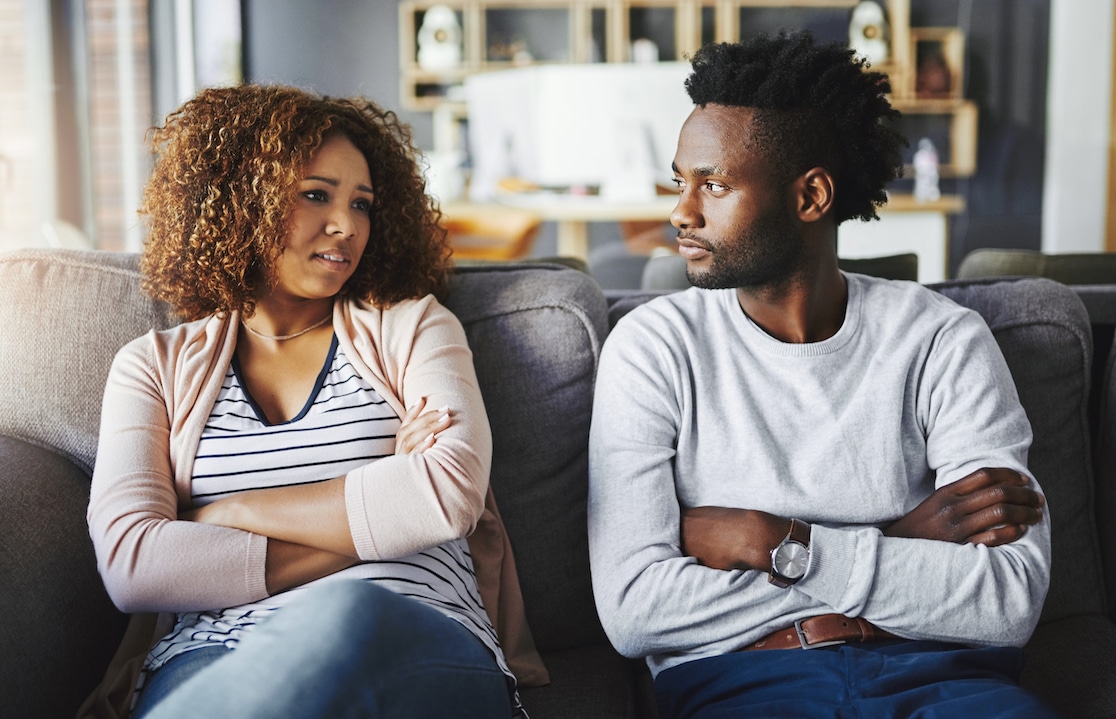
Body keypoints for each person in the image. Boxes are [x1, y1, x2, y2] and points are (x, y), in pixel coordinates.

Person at [587, 33, 1056, 718]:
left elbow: (1008, 598)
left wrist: (775, 541)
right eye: (679, 181)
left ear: (810, 196)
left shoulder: (941, 341)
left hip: (947, 676)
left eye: (713, 184)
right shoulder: (653, 349)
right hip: (744, 683)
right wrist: (899, 542)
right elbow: (635, 607)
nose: (680, 212)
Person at [83, 84, 529, 718]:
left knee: (345, 613)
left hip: (410, 627)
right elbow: (134, 566)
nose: (346, 226)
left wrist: (223, 513)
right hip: (217, 647)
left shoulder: (412, 328)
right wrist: (384, 507)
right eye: (315, 195)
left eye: (362, 204)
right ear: (241, 202)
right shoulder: (151, 367)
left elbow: (444, 497)